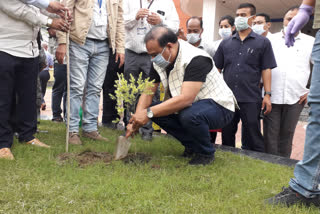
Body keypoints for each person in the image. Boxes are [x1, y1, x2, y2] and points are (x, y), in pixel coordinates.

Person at [126, 26, 238, 165]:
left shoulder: (196, 58)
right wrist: (137, 118)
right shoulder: (160, 61)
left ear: (169, 46)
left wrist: (147, 113)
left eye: (155, 54)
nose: (153, 59)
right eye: (151, 55)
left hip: (220, 107)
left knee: (189, 115)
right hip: (191, 107)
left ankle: (205, 154)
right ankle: (192, 146)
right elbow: (148, 92)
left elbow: (186, 99)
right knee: (155, 110)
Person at [0, 0, 69, 160]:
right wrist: (50, 21)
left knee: (28, 97)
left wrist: (56, 13)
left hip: (30, 50)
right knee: (3, 99)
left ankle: (28, 135)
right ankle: (3, 143)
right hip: (5, 47)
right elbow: (19, 10)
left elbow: (37, 6)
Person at [267, 0, 320, 207]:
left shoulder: (307, 41)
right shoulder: (272, 40)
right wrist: (307, 7)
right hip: (275, 94)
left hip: (295, 95)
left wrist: (307, 8)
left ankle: (305, 190)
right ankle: (309, 186)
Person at [56, 0, 125, 145]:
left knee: (95, 88)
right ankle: (72, 130)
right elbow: (64, 10)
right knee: (76, 87)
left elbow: (119, 20)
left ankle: (90, 128)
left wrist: (120, 47)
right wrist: (62, 41)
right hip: (78, 42)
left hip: (104, 45)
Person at [213, 3, 277, 152]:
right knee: (227, 133)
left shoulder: (263, 42)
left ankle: (256, 162)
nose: (239, 18)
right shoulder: (226, 43)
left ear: (252, 18)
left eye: (243, 15)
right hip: (227, 98)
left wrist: (267, 95)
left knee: (253, 134)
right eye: (237, 15)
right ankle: (228, 158)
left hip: (251, 97)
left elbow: (266, 69)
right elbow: (217, 68)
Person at [123, 0, 179, 141]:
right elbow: (120, 23)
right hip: (132, 53)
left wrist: (161, 21)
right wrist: (134, 17)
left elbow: (175, 27)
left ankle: (147, 133)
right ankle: (129, 128)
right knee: (130, 93)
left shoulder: (167, 2)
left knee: (151, 93)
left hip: (154, 55)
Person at [263, 6, 314, 158]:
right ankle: (269, 165)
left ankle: (283, 165)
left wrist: (311, 91)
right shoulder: (269, 40)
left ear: (303, 21)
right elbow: (263, 66)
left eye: (295, 19)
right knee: (270, 135)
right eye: (288, 19)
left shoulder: (310, 42)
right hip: (271, 95)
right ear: (283, 20)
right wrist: (265, 92)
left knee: (288, 134)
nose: (291, 22)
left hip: (296, 97)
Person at [101, 50, 124, 129]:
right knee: (109, 86)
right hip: (113, 50)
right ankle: (109, 121)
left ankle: (130, 121)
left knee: (131, 88)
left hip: (131, 49)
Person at [49, 27, 67, 123]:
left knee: (69, 90)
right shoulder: (58, 20)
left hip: (73, 60)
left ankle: (67, 115)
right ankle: (56, 115)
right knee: (58, 88)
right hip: (60, 60)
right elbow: (51, 31)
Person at [39, 42, 54, 111]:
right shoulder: (49, 54)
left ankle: (42, 101)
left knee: (38, 88)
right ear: (46, 47)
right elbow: (51, 66)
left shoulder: (38, 52)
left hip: (39, 72)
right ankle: (41, 101)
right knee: (43, 88)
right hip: (46, 73)